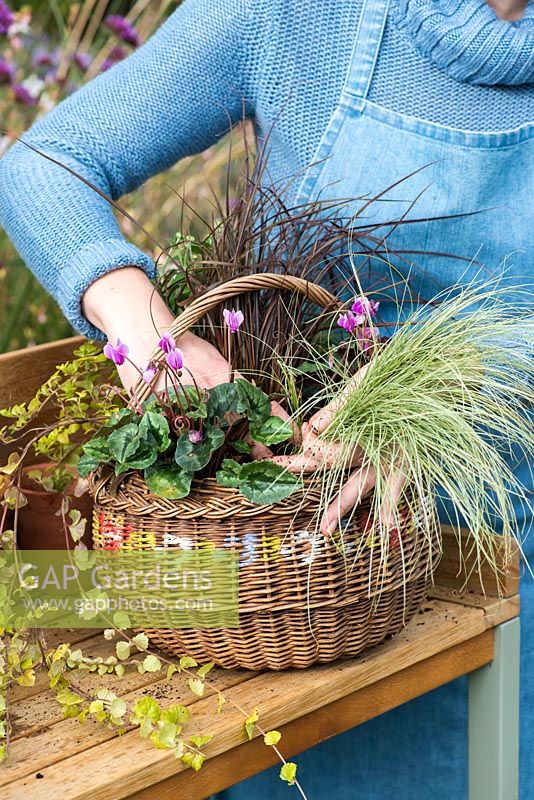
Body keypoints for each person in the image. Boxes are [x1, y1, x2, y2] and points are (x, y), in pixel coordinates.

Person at [0, 0, 532, 797]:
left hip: (497, 569)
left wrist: (432, 397)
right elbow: (46, 165)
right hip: (269, 579)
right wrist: (155, 342)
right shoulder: (299, 14)